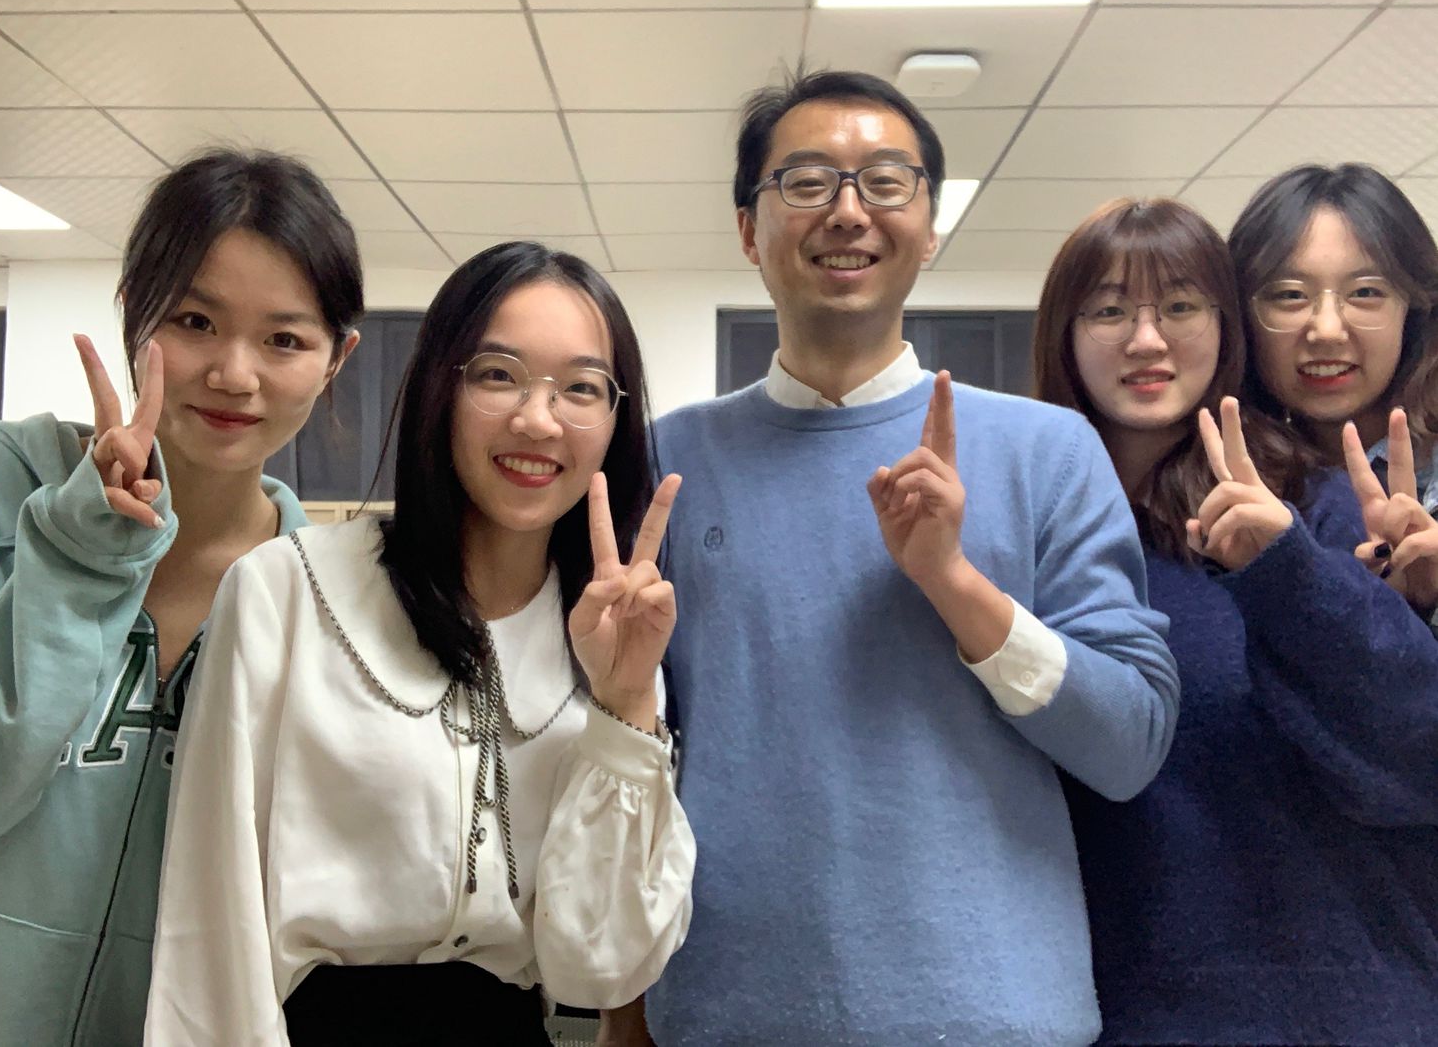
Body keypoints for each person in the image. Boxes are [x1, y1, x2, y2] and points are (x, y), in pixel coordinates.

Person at [604, 70, 1178, 1047]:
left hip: (998, 1016)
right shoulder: (667, 463)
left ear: (931, 223)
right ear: (747, 229)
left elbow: (1128, 748)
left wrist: (955, 583)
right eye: (806, 181)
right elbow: (635, 767)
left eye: (885, 181)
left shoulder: (1047, 451)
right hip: (731, 1013)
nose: (847, 210)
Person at [145, 241, 695, 1046]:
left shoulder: (614, 637)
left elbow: (600, 966)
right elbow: (210, 919)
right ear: (442, 385)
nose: (537, 419)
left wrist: (624, 704)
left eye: (581, 387)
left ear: (615, 420)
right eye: (498, 374)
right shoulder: (289, 588)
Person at [0, 148, 363, 1045]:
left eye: (284, 339)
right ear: (134, 310)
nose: (235, 374)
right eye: (195, 320)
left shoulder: (329, 605)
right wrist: (79, 555)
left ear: (337, 359)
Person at [1035, 196, 1438, 1044]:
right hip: (1110, 1010)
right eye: (1108, 310)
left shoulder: (1321, 509)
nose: (1147, 341)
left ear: (1226, 331)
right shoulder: (1031, 539)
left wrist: (1283, 569)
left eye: (1182, 306)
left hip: (1337, 1010)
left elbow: (1413, 762)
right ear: (1063, 336)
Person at [1229, 163, 1438, 618]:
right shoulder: (1218, 476)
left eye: (1365, 292)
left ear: (1415, 309)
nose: (1326, 330)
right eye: (1289, 295)